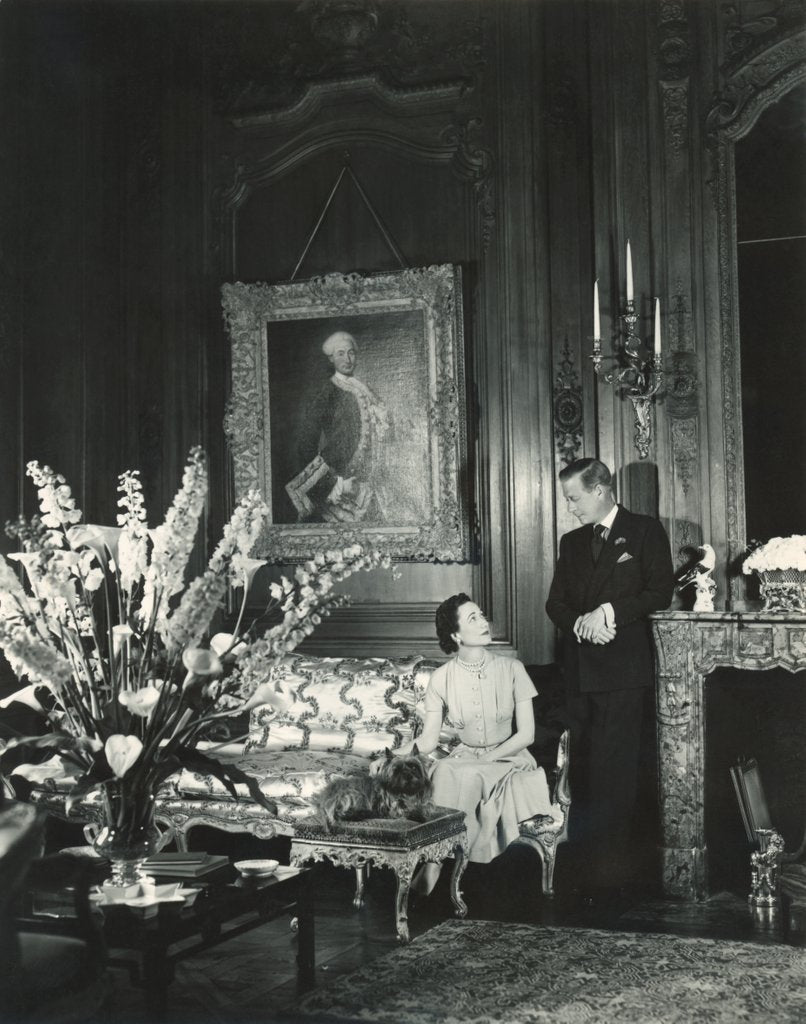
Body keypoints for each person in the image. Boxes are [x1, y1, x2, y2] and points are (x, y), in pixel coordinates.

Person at [545, 457, 674, 901]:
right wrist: (582, 622)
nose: (571, 507)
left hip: (623, 673)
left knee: (618, 773)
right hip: (581, 673)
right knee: (584, 773)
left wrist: (610, 613)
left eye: (574, 498)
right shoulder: (571, 541)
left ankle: (616, 873)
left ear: (600, 490)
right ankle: (585, 871)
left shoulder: (644, 531)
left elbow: (660, 591)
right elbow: (554, 603)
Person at [382, 593, 555, 896]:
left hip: (509, 756)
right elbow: (428, 740)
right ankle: (437, 857)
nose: (484, 622)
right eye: (473, 618)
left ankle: (436, 864)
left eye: (483, 615)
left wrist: (491, 757)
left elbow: (527, 734)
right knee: (446, 770)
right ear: (455, 634)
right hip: (465, 757)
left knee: (469, 773)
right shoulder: (441, 678)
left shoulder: (512, 669)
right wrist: (386, 757)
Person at [285, 331, 390, 523]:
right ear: (331, 358)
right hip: (338, 491)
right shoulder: (326, 392)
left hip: (367, 489)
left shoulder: (365, 389)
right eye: (341, 353)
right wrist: (334, 484)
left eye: (351, 353)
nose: (347, 358)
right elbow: (305, 444)